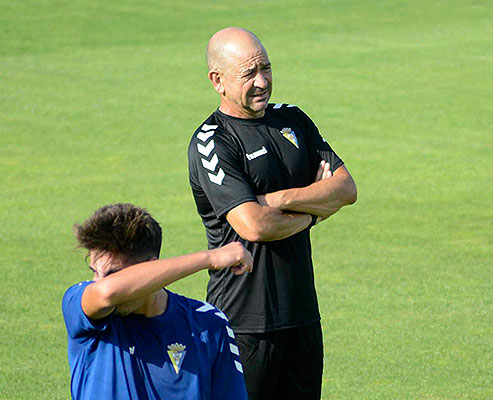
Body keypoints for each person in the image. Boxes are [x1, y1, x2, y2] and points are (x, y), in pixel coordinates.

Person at [187, 27, 357, 399]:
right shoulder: (212, 141)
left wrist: (279, 199)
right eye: (249, 73)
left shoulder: (293, 119)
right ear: (217, 80)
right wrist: (315, 208)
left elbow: (346, 189)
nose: (262, 81)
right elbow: (253, 225)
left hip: (302, 316)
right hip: (244, 322)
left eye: (266, 68)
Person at [62, 203, 253, 400]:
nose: (98, 282)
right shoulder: (79, 304)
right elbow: (106, 293)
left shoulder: (208, 323)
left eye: (113, 274)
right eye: (94, 271)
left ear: (152, 270)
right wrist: (210, 258)